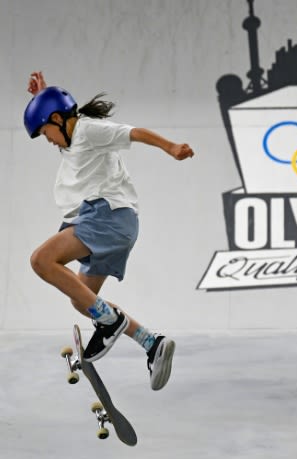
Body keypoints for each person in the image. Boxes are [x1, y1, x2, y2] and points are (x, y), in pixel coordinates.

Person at [24, 71, 194, 391]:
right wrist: (42, 96)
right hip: (111, 226)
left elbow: (135, 133)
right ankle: (151, 343)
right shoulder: (71, 135)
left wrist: (170, 147)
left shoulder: (90, 130)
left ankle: (110, 321)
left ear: (59, 120)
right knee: (82, 298)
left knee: (41, 260)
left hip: (106, 217)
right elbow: (57, 116)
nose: (48, 141)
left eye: (47, 133)